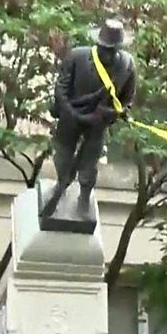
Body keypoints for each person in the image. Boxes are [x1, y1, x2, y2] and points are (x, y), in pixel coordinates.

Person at [48, 19, 135, 214]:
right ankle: (61, 184)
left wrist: (114, 113)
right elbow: (61, 88)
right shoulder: (77, 56)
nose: (109, 54)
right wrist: (71, 113)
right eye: (105, 49)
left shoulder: (127, 65)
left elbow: (127, 101)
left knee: (89, 163)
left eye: (113, 50)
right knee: (62, 154)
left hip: (98, 122)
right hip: (71, 117)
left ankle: (84, 196)